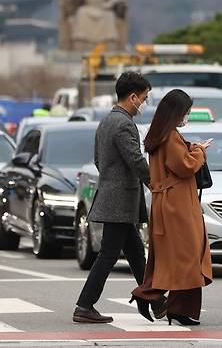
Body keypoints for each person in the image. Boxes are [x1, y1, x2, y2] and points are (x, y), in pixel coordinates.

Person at [73, 72, 152, 323]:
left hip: (114, 196)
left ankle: (154, 299)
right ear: (133, 97)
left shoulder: (106, 121)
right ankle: (84, 305)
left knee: (136, 252)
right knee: (108, 254)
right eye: (144, 97)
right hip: (120, 200)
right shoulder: (124, 123)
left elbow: (99, 160)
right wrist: (157, 181)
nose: (145, 102)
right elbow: (136, 161)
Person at [131, 89, 213, 326]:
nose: (187, 115)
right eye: (186, 111)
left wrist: (192, 148)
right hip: (177, 204)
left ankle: (177, 308)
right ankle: (149, 294)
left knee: (179, 257)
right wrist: (199, 151)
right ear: (177, 112)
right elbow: (184, 166)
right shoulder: (170, 136)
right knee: (187, 257)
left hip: (169, 202)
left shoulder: (163, 135)